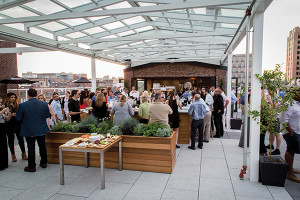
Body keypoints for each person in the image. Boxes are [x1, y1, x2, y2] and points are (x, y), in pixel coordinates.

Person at [16, 89, 51, 172]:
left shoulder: (22, 105)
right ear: (36, 94)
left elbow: (18, 118)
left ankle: (31, 166)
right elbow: (47, 115)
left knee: (31, 147)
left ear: (28, 95)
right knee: (42, 145)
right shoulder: (44, 104)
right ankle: (44, 162)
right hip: (41, 127)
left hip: (29, 129)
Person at [282, 89, 300, 183]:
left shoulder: (298, 104)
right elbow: (284, 120)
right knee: (290, 150)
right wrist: (291, 132)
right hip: (291, 132)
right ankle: (289, 173)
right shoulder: (289, 104)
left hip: (297, 131)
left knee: (292, 150)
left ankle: (290, 168)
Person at [5, 92, 27, 162]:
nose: (13, 99)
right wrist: (10, 115)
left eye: (14, 97)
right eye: (11, 97)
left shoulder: (17, 105)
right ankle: (13, 155)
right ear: (8, 98)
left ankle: (23, 153)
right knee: (11, 140)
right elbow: (4, 116)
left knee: (21, 139)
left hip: (17, 124)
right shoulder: (5, 106)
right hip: (9, 124)